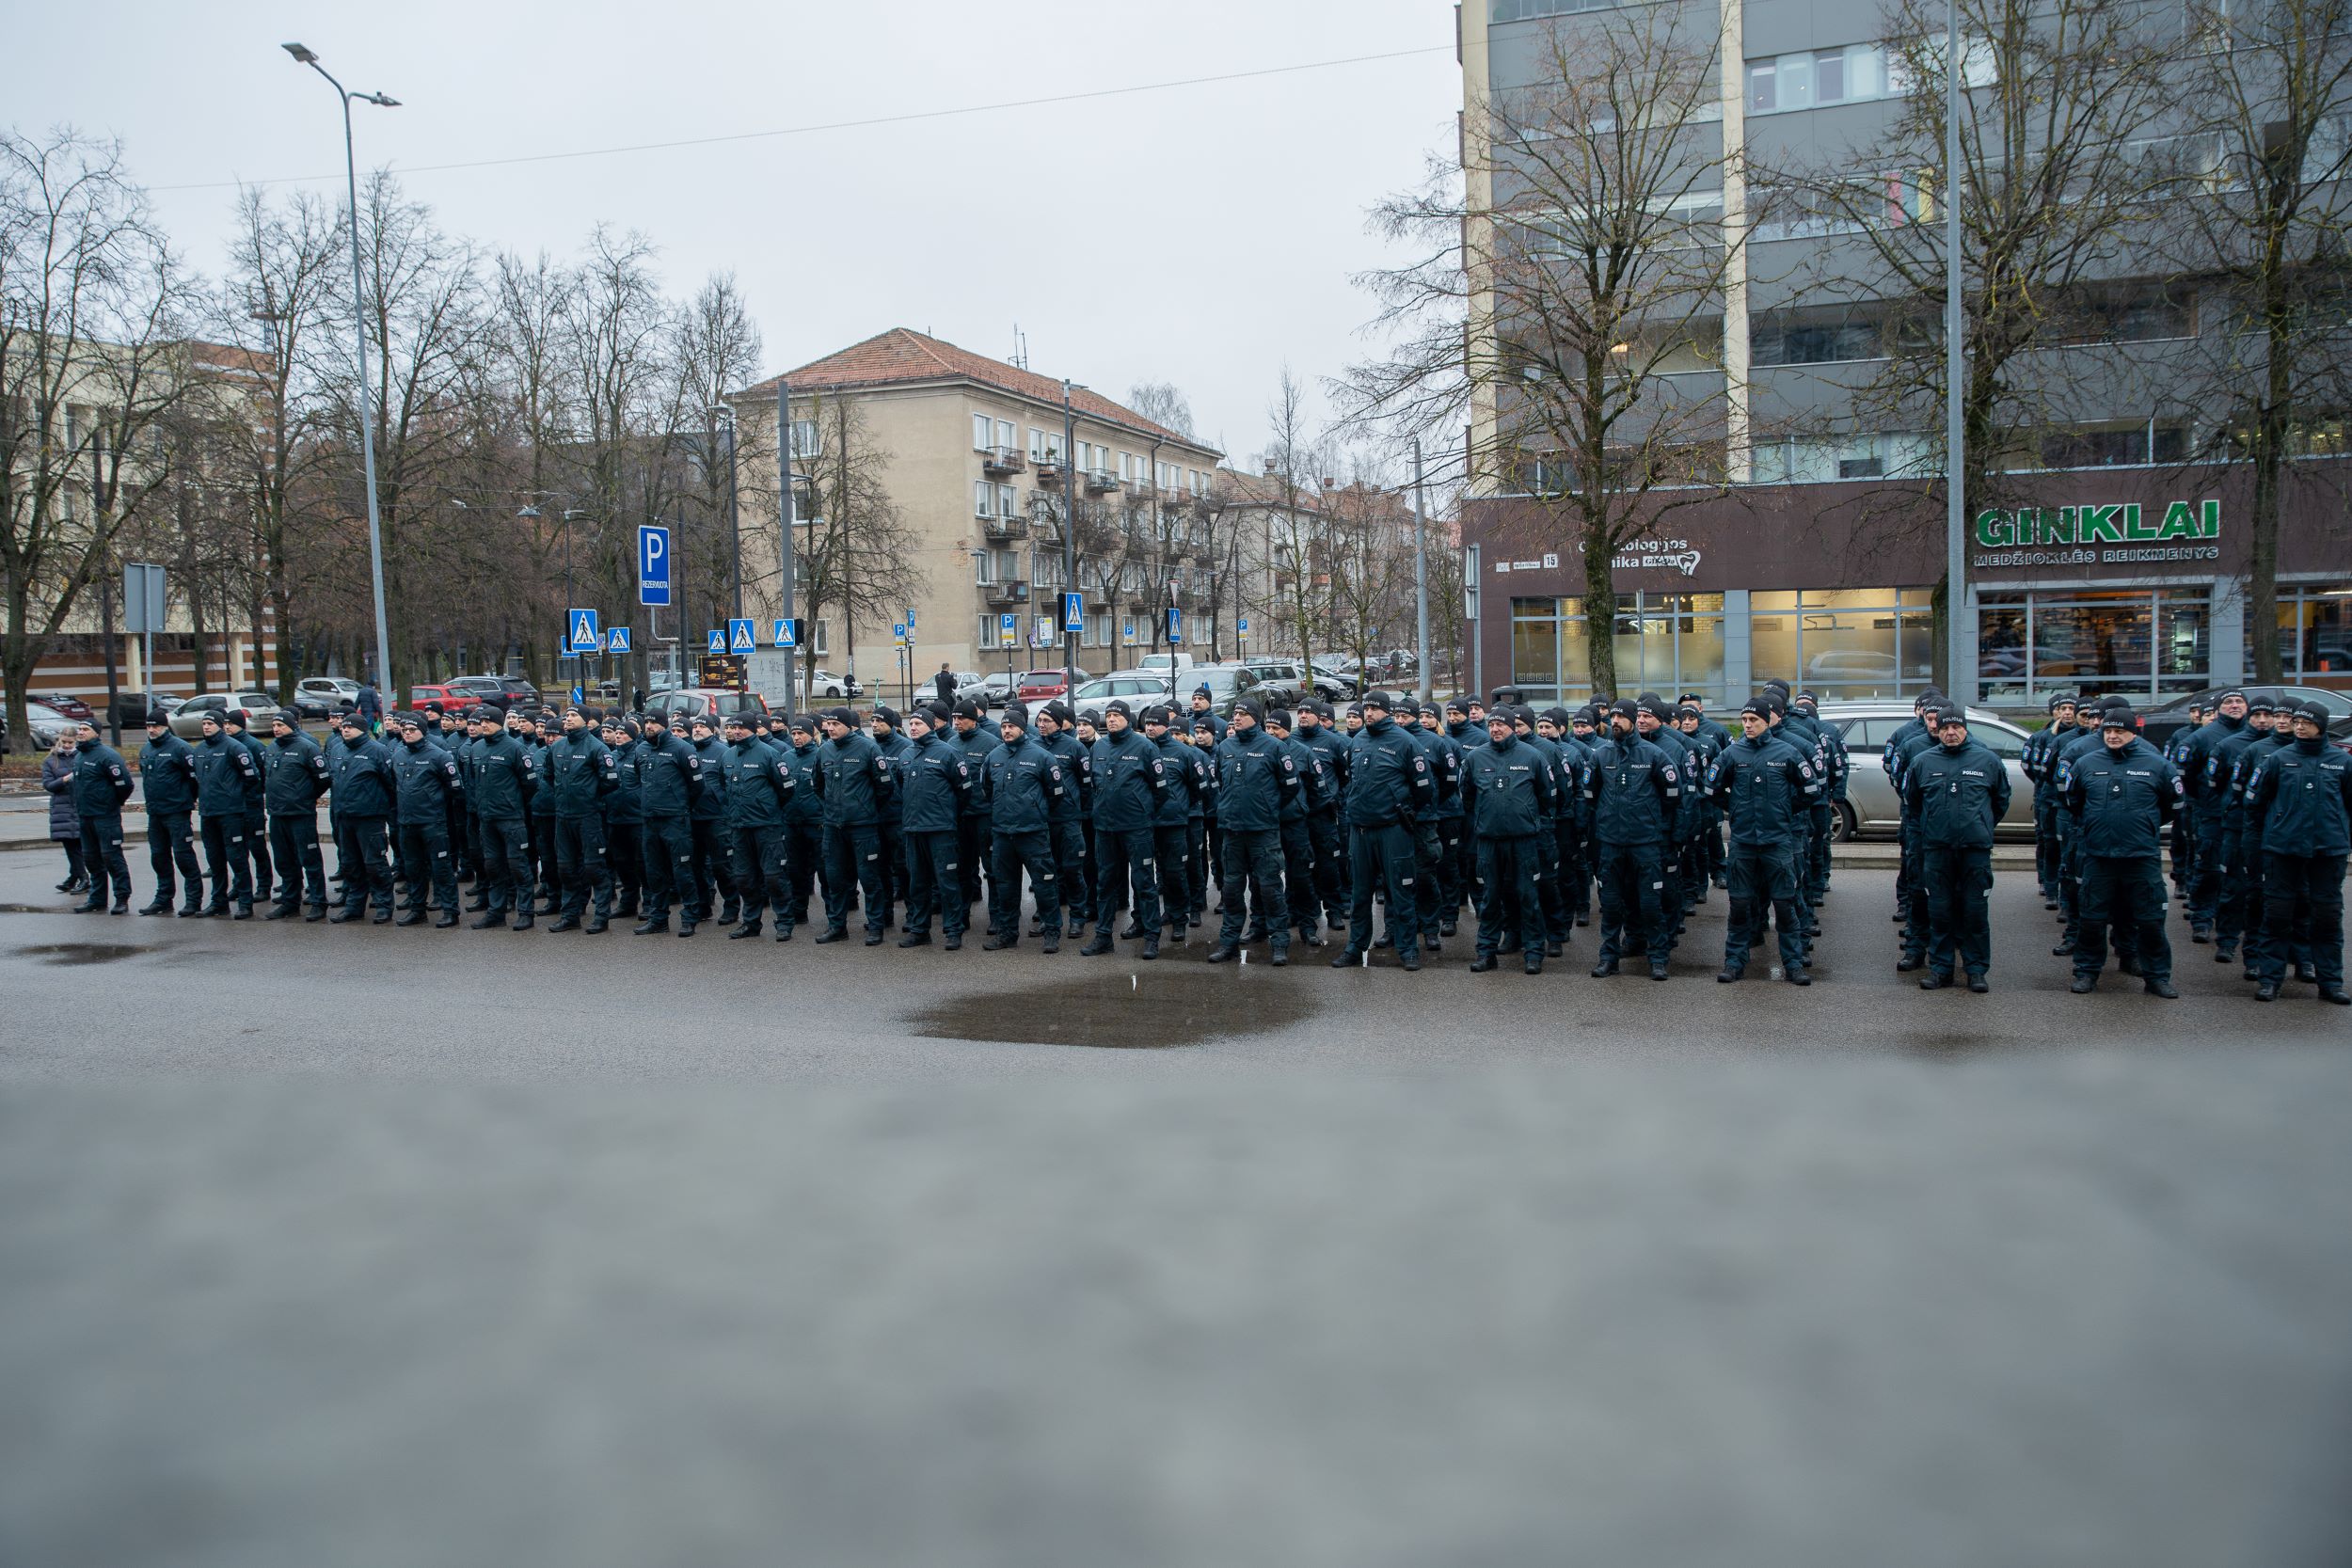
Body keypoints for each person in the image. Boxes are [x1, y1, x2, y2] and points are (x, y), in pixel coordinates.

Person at [2056, 703, 2181, 997]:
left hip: (2141, 857)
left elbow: (2172, 806)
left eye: (2119, 730)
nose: (2112, 735)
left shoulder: (2157, 764)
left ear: (2132, 733)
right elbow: (2073, 801)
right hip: (2099, 856)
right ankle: (2086, 972)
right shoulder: (2086, 763)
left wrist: (2142, 825)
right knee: (2092, 919)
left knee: (2150, 921)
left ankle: (2157, 977)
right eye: (2108, 730)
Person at [2241, 700, 2351, 1004]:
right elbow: (2255, 804)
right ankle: (2270, 980)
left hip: (2328, 853)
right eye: (2297, 722)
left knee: (2327, 918)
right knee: (2277, 916)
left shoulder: (2341, 761)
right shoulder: (2278, 759)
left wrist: (2341, 836)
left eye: (2307, 722)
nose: (2299, 726)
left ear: (2322, 726)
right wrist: (2264, 841)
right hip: (2282, 851)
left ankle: (2330, 983)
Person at [1706, 698, 1819, 985]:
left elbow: (1810, 789)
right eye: (1744, 720)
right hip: (1743, 842)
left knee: (1784, 905)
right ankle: (1734, 962)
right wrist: (1735, 807)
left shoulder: (1787, 752)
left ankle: (1793, 965)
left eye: (1753, 720)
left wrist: (1784, 808)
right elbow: (1711, 788)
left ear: (1767, 721)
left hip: (1777, 842)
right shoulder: (1732, 753)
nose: (1747, 725)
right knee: (1740, 905)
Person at [1900, 706, 2010, 992]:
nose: (1950, 732)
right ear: (1938, 730)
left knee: (1974, 912)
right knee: (1940, 912)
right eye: (1945, 728)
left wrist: (1980, 825)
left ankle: (1976, 971)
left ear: (1965, 728)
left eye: (1956, 727)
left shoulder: (1987, 760)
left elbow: (2000, 801)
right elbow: (1913, 803)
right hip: (1937, 850)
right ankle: (1940, 970)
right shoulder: (1922, 762)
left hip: (1975, 851)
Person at [1584, 697, 1685, 981]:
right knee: (1613, 905)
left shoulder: (1654, 755)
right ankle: (1608, 958)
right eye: (1612, 718)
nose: (1614, 722)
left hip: (1645, 845)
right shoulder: (1601, 756)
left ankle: (1658, 958)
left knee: (1651, 904)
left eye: (1620, 718)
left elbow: (1672, 797)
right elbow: (1590, 796)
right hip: (1611, 844)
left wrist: (1652, 825)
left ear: (1632, 720)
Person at [1333, 691, 1433, 971]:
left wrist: (1403, 811)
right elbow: (1350, 779)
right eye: (1366, 708)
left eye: (1374, 709)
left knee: (1400, 892)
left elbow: (1424, 788)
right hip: (1360, 829)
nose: (1368, 713)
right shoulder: (1358, 741)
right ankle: (1355, 947)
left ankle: (1408, 949)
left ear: (1387, 712)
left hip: (1393, 829)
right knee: (1360, 894)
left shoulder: (1405, 741)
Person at [1461, 706, 1555, 973]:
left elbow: (1547, 797)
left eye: (1501, 725)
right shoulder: (1476, 757)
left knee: (1528, 897)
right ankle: (1486, 953)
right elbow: (1467, 795)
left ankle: (1534, 952)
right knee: (1490, 899)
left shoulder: (1533, 756)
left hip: (1523, 841)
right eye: (1491, 725)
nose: (1495, 729)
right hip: (1489, 842)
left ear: (1513, 727)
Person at [1207, 697, 1298, 964]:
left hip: (1263, 832)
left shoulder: (1274, 747)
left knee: (1270, 890)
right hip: (1233, 832)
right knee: (1232, 891)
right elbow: (1221, 780)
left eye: (1243, 713)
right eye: (1235, 713)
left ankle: (1279, 944)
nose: (1236, 717)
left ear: (1256, 718)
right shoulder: (1225, 747)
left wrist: (1268, 808)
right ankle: (1229, 945)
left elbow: (1290, 786)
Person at [1082, 699, 1168, 958]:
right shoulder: (1099, 747)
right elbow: (1093, 785)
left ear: (1128, 720)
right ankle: (1103, 936)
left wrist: (1144, 812)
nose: (1111, 720)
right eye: (1108, 716)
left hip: (1136, 828)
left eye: (1116, 716)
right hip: (1105, 829)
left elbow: (1161, 789)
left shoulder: (1144, 747)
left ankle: (1151, 936)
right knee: (1106, 883)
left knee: (1143, 882)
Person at [981, 705, 1066, 952]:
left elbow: (1056, 793)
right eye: (1004, 726)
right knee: (1005, 887)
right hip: (1003, 834)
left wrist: (1036, 811)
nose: (1006, 731)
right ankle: (1007, 934)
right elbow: (987, 790)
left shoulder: (1041, 756)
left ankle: (1051, 932)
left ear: (1022, 729)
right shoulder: (993, 757)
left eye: (1011, 727)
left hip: (1033, 833)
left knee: (1044, 885)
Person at [815, 705, 897, 945]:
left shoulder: (868, 748)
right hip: (833, 826)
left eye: (835, 725)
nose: (830, 729)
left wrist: (865, 807)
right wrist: (832, 807)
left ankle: (876, 927)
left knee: (870, 878)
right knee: (835, 879)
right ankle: (837, 927)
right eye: (828, 725)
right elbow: (818, 786)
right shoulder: (824, 750)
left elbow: (884, 786)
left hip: (863, 826)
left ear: (848, 726)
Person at [897, 704, 975, 949]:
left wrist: (948, 814)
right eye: (910, 724)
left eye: (918, 723)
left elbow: (964, 790)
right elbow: (901, 786)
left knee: (947, 882)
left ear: (931, 726)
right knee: (917, 883)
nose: (913, 727)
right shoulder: (906, 755)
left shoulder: (948, 753)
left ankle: (953, 931)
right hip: (913, 829)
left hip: (941, 830)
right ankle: (920, 930)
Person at [2178, 688, 2249, 942]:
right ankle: (2202, 918)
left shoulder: (2255, 735)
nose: (2234, 705)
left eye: (2239, 701)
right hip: (2211, 813)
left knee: (2238, 870)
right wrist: (2201, 800)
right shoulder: (2203, 737)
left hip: (2244, 817)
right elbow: (2185, 773)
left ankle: (2231, 917)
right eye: (2228, 702)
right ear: (2218, 708)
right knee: (2208, 867)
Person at [720, 711, 797, 940]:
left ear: (753, 729)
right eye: (731, 728)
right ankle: (751, 923)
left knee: (774, 877)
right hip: (739, 827)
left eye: (739, 727)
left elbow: (786, 789)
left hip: (767, 826)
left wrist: (766, 808)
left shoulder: (769, 754)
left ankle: (784, 922)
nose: (734, 731)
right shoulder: (728, 755)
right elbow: (724, 787)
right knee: (743, 877)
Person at [629, 710, 704, 936]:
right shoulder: (641, 749)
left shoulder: (682, 749)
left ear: (664, 725)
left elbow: (697, 786)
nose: (649, 726)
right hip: (650, 820)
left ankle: (690, 917)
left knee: (682, 872)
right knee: (655, 873)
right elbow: (636, 779)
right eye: (647, 722)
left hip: (675, 820)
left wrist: (679, 805)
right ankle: (658, 919)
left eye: (654, 722)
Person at [546, 706, 618, 933]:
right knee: (566, 868)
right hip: (563, 817)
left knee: (593, 868)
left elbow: (611, 781)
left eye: (573, 716)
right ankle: (570, 916)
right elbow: (548, 776)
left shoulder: (597, 747)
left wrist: (589, 795)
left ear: (586, 721)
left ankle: (601, 917)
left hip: (588, 817)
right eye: (566, 716)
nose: (568, 719)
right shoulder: (557, 746)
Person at [389, 713, 462, 927]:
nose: (408, 734)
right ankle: (417, 909)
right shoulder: (398, 755)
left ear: (423, 731)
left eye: (412, 730)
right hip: (407, 822)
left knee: (441, 868)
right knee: (413, 869)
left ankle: (450, 910)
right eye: (405, 730)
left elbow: (455, 788)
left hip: (432, 822)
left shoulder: (439, 756)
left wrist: (435, 804)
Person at [469, 705, 537, 928]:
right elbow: (473, 781)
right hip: (487, 819)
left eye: (488, 722)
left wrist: (513, 803)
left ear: (501, 723)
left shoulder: (515, 748)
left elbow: (530, 783)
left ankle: (526, 912)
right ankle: (496, 912)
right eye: (482, 722)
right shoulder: (477, 748)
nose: (484, 725)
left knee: (518, 865)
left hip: (511, 818)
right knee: (492, 866)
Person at [326, 713, 397, 924]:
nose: (345, 730)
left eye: (351, 727)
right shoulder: (338, 749)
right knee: (350, 863)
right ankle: (354, 906)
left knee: (375, 863)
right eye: (344, 727)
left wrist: (385, 809)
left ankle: (384, 905)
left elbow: (390, 783)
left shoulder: (377, 750)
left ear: (362, 729)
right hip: (345, 816)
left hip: (369, 816)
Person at [261, 712, 331, 920]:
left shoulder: (307, 747)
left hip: (301, 813)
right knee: (284, 861)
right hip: (277, 814)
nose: (276, 728)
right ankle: (290, 902)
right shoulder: (272, 748)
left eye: (281, 724)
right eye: (274, 725)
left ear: (292, 725)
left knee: (309, 859)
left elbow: (323, 779)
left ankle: (318, 902)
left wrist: (306, 797)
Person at [192, 708, 260, 917]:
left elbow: (252, 776)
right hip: (208, 812)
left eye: (210, 724)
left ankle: (245, 903)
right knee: (215, 859)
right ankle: (218, 901)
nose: (206, 727)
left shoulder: (234, 747)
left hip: (231, 812)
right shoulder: (200, 749)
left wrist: (234, 794)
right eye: (204, 724)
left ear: (220, 726)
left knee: (237, 858)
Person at [136, 710, 203, 916]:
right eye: (148, 726)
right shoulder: (146, 749)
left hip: (176, 811)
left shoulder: (180, 748)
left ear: (165, 726)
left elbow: (194, 779)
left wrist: (185, 800)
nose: (151, 730)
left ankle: (193, 900)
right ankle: (164, 899)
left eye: (155, 726)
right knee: (159, 857)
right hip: (155, 813)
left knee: (183, 856)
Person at [65, 720, 135, 913]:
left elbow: (126, 785)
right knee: (91, 859)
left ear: (96, 733)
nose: (81, 733)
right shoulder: (79, 755)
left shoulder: (107, 756)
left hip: (106, 816)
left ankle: (122, 898)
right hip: (85, 816)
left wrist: (112, 803)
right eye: (79, 729)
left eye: (85, 730)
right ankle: (97, 899)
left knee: (112, 858)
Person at [221, 707, 276, 907]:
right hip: (234, 806)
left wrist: (253, 794)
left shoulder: (253, 745)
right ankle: (239, 885)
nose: (227, 727)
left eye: (231, 724)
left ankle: (263, 885)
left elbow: (262, 774)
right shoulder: (226, 745)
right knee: (238, 849)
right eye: (225, 724)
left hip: (251, 805)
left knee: (257, 847)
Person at [42, 730, 87, 896]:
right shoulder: (50, 761)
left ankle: (81, 877)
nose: (67, 746)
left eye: (71, 742)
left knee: (76, 844)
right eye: (64, 742)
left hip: (80, 805)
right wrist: (65, 779)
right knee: (70, 844)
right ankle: (76, 876)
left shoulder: (82, 756)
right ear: (59, 741)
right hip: (61, 808)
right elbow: (48, 785)